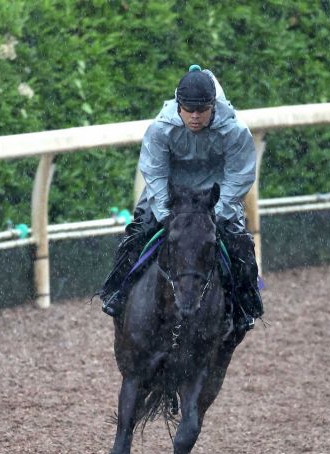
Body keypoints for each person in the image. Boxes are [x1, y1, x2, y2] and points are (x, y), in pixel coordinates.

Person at [100, 65, 263, 331]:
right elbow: (154, 173)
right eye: (189, 109)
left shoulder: (235, 130)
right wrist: (166, 214)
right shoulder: (161, 129)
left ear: (213, 106)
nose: (195, 117)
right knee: (136, 234)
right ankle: (117, 292)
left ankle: (247, 306)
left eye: (201, 110)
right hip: (170, 196)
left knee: (241, 245)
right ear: (178, 106)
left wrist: (215, 213)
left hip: (214, 199)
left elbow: (239, 176)